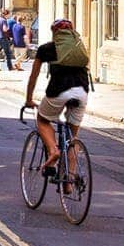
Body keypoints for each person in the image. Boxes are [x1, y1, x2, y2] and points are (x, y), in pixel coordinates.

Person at [24, 18, 91, 184]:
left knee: (43, 119)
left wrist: (29, 99)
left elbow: (34, 76)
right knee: (72, 139)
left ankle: (53, 150)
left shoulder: (47, 48)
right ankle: (68, 181)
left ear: (54, 32)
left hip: (58, 91)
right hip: (81, 92)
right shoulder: (79, 47)